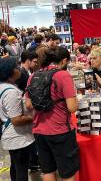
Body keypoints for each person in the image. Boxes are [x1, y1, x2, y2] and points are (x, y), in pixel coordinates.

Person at [25, 47, 80, 181]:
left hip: (39, 131)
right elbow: (72, 107)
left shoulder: (33, 76)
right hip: (61, 131)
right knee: (68, 173)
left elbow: (28, 104)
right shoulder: (63, 75)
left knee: (48, 170)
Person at [0, 57, 35, 181]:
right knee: (21, 170)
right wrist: (33, 118)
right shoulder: (11, 92)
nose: (19, 69)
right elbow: (16, 119)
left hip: (12, 136)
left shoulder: (4, 87)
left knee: (15, 167)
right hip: (17, 138)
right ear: (10, 72)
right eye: (16, 67)